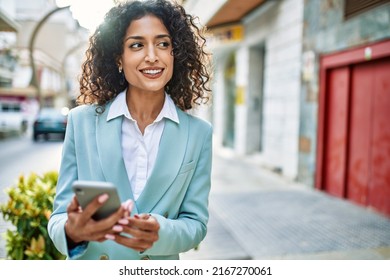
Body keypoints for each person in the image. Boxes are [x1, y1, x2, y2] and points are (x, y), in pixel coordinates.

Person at [48, 0, 212, 260]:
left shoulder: (199, 133)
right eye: (137, 45)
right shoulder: (82, 122)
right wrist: (72, 231)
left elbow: (196, 223)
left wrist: (162, 232)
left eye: (163, 44)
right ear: (119, 59)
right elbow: (58, 219)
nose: (152, 55)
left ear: (175, 54)